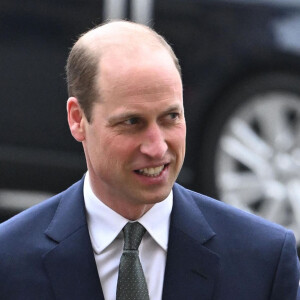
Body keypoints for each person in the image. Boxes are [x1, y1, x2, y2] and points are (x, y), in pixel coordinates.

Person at [0, 20, 299, 300]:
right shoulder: (9, 260)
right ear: (78, 120)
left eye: (171, 117)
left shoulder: (263, 261)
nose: (157, 148)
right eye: (132, 122)